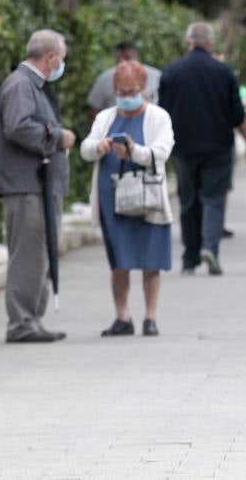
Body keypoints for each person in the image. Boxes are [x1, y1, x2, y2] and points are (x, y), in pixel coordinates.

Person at [0, 29, 75, 343]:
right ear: (50, 57)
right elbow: (18, 127)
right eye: (61, 59)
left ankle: (32, 320)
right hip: (25, 185)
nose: (61, 65)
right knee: (29, 253)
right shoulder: (20, 85)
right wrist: (57, 137)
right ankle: (22, 323)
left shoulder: (33, 86)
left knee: (40, 252)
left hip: (39, 184)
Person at [80, 60, 174, 336]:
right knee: (119, 259)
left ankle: (150, 316)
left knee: (151, 258)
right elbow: (86, 149)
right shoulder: (105, 118)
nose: (126, 97)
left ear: (143, 88)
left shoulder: (159, 117)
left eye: (131, 91)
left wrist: (134, 152)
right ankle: (123, 316)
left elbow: (162, 152)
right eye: (120, 91)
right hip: (113, 199)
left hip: (149, 199)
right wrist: (99, 146)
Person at [158, 22, 246, 276]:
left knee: (188, 201)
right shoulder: (224, 72)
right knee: (213, 199)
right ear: (210, 43)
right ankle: (210, 247)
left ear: (188, 42)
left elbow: (162, 113)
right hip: (218, 146)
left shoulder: (171, 72)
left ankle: (189, 258)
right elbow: (237, 114)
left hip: (182, 146)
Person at [87, 41, 161, 122]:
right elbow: (93, 109)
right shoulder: (104, 80)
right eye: (119, 60)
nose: (123, 63)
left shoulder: (156, 76)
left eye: (127, 58)